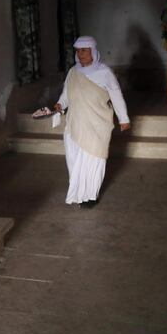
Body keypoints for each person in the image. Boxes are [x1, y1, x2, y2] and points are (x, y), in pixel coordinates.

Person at [54, 36, 130, 207]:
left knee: (94, 158)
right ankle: (79, 192)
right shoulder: (73, 72)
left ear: (93, 52)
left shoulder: (104, 72)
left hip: (97, 124)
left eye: (84, 50)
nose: (80, 54)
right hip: (75, 124)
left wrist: (123, 118)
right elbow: (66, 95)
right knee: (75, 160)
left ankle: (91, 195)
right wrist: (60, 104)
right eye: (78, 51)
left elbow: (116, 95)